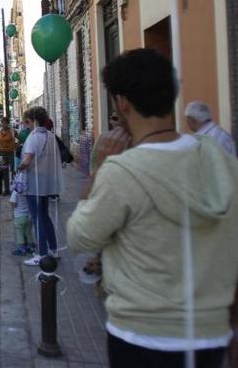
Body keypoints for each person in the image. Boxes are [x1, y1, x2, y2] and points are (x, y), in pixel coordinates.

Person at [66, 48, 238, 367]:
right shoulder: (221, 161)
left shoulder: (121, 171)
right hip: (210, 335)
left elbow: (80, 237)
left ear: (122, 103)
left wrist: (99, 168)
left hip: (141, 336)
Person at [17, 107, 62, 266]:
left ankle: (41, 253)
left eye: (27, 122)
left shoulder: (34, 137)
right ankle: (53, 249)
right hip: (46, 182)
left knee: (37, 218)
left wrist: (20, 167)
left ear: (34, 120)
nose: (26, 125)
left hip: (34, 183)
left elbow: (27, 160)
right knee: (45, 215)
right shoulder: (50, 136)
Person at [9, 187, 35, 256]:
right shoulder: (28, 190)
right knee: (28, 232)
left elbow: (13, 203)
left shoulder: (15, 192)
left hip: (19, 216)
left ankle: (21, 249)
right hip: (29, 216)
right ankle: (31, 247)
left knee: (19, 233)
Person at [0, 117, 17, 193]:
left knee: (13, 170)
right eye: (2, 122)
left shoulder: (12, 131)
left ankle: (15, 188)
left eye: (5, 122)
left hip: (11, 153)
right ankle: (6, 189)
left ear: (8, 123)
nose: (3, 124)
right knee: (5, 171)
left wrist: (15, 145)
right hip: (2, 154)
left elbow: (18, 139)